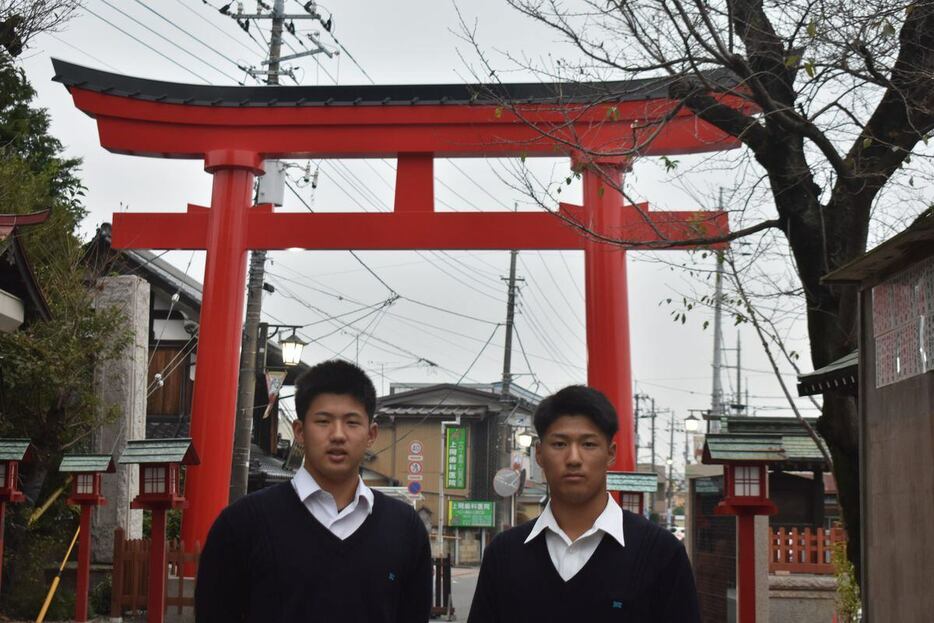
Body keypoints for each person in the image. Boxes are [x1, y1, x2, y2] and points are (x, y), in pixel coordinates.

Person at [196, 359, 432, 623]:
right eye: (323, 421)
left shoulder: (405, 528)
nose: (338, 435)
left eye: (352, 422)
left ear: (371, 434)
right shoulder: (242, 524)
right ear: (299, 431)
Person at [468, 385, 700, 623]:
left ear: (610, 453)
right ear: (539, 454)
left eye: (588, 444)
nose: (574, 459)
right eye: (559, 444)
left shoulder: (661, 553)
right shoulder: (504, 553)